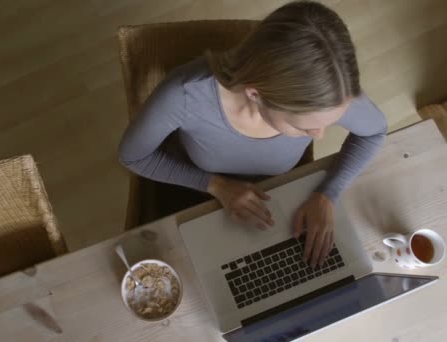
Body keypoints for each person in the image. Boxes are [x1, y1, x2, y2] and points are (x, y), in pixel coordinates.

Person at [118, 1, 387, 268]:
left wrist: (329, 192)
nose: (319, 135)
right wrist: (215, 186)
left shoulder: (331, 91)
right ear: (255, 94)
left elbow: (374, 132)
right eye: (303, 128)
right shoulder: (185, 94)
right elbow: (133, 157)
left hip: (279, 200)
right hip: (193, 194)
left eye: (332, 120)